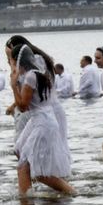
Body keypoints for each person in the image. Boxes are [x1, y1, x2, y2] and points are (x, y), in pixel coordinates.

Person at [9, 43, 75, 195]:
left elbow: (23, 106)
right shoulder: (32, 74)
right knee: (18, 150)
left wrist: (13, 86)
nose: (10, 64)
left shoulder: (31, 76)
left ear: (17, 60)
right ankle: (29, 191)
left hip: (43, 121)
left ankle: (28, 201)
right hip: (38, 119)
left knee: (31, 169)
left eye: (11, 60)